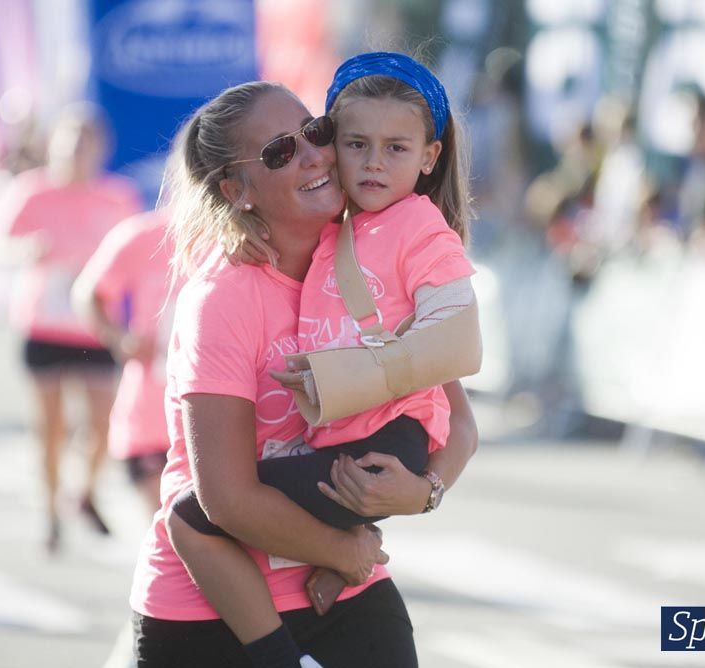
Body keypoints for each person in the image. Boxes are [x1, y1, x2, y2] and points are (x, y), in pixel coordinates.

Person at [129, 79, 479, 668]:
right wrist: (346, 550)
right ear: (237, 190)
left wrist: (424, 492)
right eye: (279, 151)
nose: (315, 154)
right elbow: (226, 501)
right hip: (207, 617)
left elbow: (460, 423)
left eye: (315, 132)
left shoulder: (377, 255)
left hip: (345, 597)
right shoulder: (222, 298)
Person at [0, 105, 142, 551]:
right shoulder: (32, 191)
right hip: (43, 324)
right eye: (69, 142)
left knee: (103, 425)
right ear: (54, 146)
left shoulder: (117, 197)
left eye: (86, 142)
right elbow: (0, 245)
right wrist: (25, 250)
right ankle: (48, 509)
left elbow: (137, 259)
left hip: (95, 326)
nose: (77, 151)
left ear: (101, 148)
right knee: (51, 427)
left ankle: (86, 491)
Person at [71, 206, 174, 516]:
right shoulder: (144, 235)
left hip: (223, 421)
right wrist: (120, 339)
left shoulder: (241, 237)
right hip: (152, 416)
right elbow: (88, 294)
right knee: (169, 534)